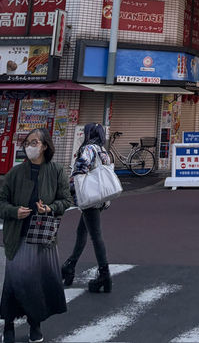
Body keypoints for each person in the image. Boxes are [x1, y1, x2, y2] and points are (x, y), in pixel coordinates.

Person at [0, 127, 72, 343]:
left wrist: (50, 208)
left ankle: (35, 325)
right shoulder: (15, 172)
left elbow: (66, 200)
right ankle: (8, 325)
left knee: (38, 283)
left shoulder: (56, 171)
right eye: (28, 142)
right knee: (14, 282)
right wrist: (14, 212)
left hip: (43, 237)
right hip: (18, 236)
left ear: (45, 146)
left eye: (35, 142)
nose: (30, 146)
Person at [61, 123, 113, 293]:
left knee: (96, 236)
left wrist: (72, 183)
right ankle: (70, 265)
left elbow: (81, 166)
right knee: (82, 232)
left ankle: (104, 274)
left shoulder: (89, 148)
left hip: (89, 197)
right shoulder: (103, 150)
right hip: (99, 197)